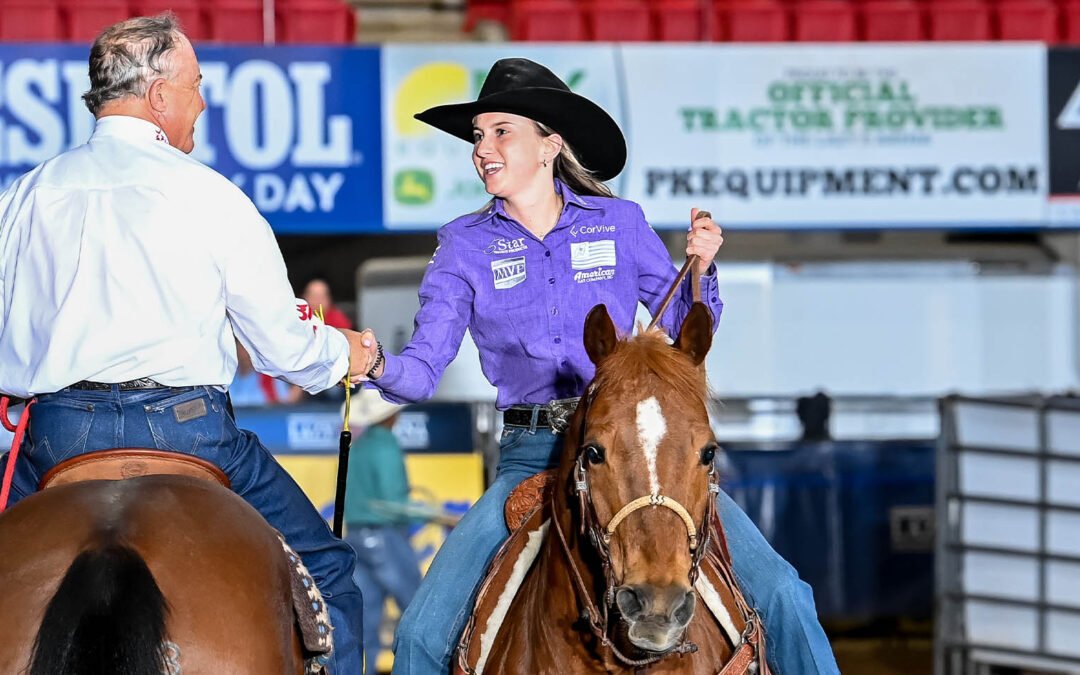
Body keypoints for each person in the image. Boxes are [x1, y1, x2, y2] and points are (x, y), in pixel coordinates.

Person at [354, 58, 840, 674]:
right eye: (478, 136)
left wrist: (702, 268)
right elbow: (422, 372)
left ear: (550, 145)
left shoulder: (620, 223)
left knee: (783, 594)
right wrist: (370, 360)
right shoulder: (463, 245)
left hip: (641, 454)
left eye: (502, 131)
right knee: (424, 631)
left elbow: (685, 329)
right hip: (533, 455)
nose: (484, 149)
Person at [0, 15, 372, 673]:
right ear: (160, 94)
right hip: (189, 433)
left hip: (55, 435)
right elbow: (287, 352)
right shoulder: (214, 197)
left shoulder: (23, 198)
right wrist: (351, 355)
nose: (203, 101)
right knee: (331, 572)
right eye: (197, 85)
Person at [344, 389, 422, 675]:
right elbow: (393, 502)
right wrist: (423, 512)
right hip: (384, 535)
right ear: (390, 416)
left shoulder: (360, 446)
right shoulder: (386, 445)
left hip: (355, 537)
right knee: (417, 608)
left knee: (363, 618)